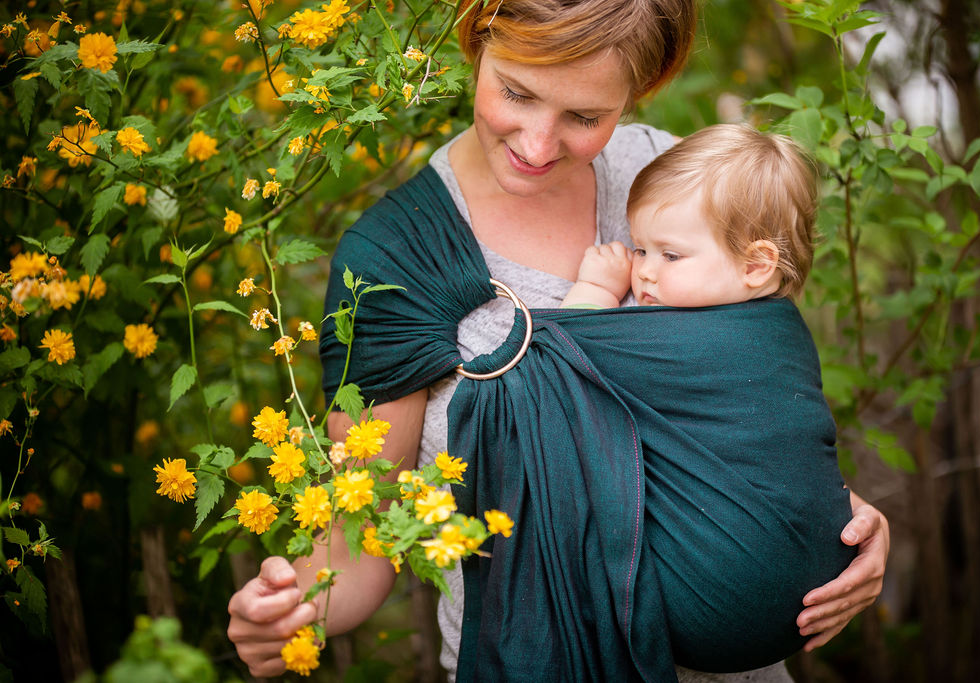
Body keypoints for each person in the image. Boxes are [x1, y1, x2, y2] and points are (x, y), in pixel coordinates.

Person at [227, 2, 891, 680]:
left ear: (640, 88)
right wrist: (293, 606)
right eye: (517, 91)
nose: (538, 145)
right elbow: (363, 531)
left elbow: (745, 405)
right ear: (475, 38)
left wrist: (843, 521)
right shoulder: (400, 260)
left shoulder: (675, 179)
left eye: (585, 117)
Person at [561, 123, 815, 310]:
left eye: (671, 256)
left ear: (755, 265)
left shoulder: (691, 331)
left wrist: (596, 290)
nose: (644, 273)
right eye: (640, 250)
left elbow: (570, 353)